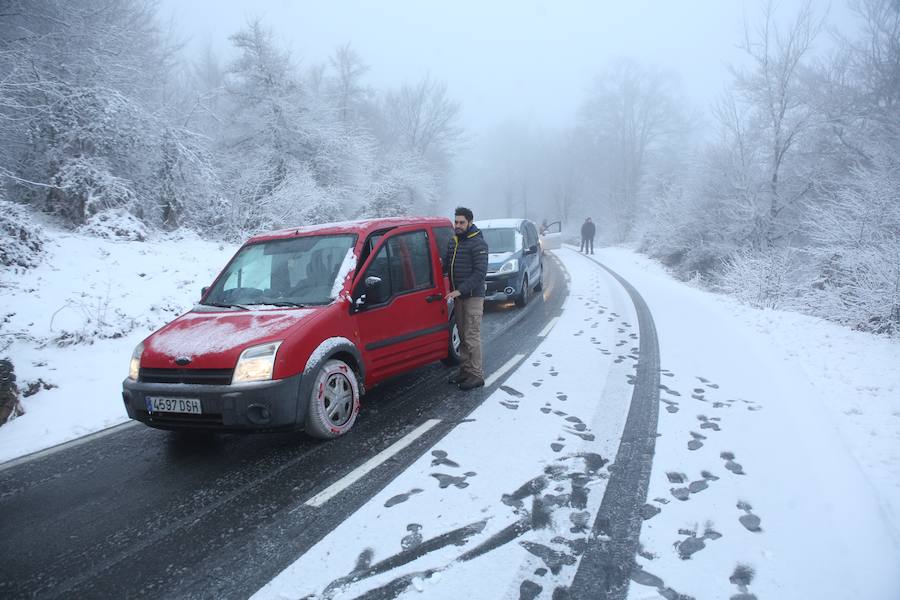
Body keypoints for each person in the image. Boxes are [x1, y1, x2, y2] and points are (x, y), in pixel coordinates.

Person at [444, 206, 489, 390]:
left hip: (472, 297)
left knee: (471, 336)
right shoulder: (454, 242)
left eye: (462, 222)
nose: (458, 225)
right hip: (459, 297)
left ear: (470, 222)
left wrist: (459, 290)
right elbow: (445, 265)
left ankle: (477, 375)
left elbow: (480, 273)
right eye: (456, 222)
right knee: (462, 335)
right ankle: (465, 370)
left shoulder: (478, 243)